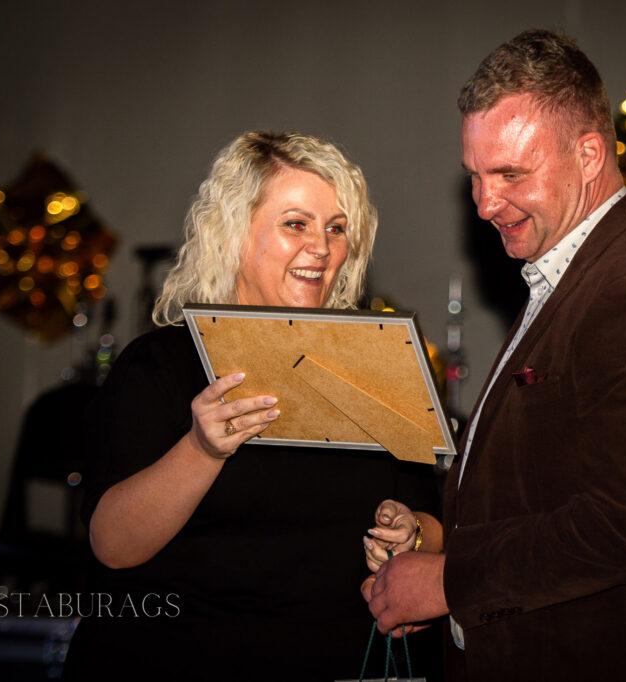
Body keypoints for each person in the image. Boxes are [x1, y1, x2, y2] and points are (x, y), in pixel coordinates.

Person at [363, 30, 626, 681]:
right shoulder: (577, 271)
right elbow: (541, 487)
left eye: (510, 174)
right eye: (475, 176)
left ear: (589, 155)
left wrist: (449, 582)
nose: (485, 204)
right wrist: (436, 541)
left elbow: (621, 526)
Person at [62, 131, 441, 681]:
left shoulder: (376, 367)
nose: (322, 247)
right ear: (236, 233)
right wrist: (201, 450)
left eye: (336, 228)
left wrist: (411, 534)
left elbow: (434, 521)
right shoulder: (161, 365)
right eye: (296, 224)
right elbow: (112, 545)